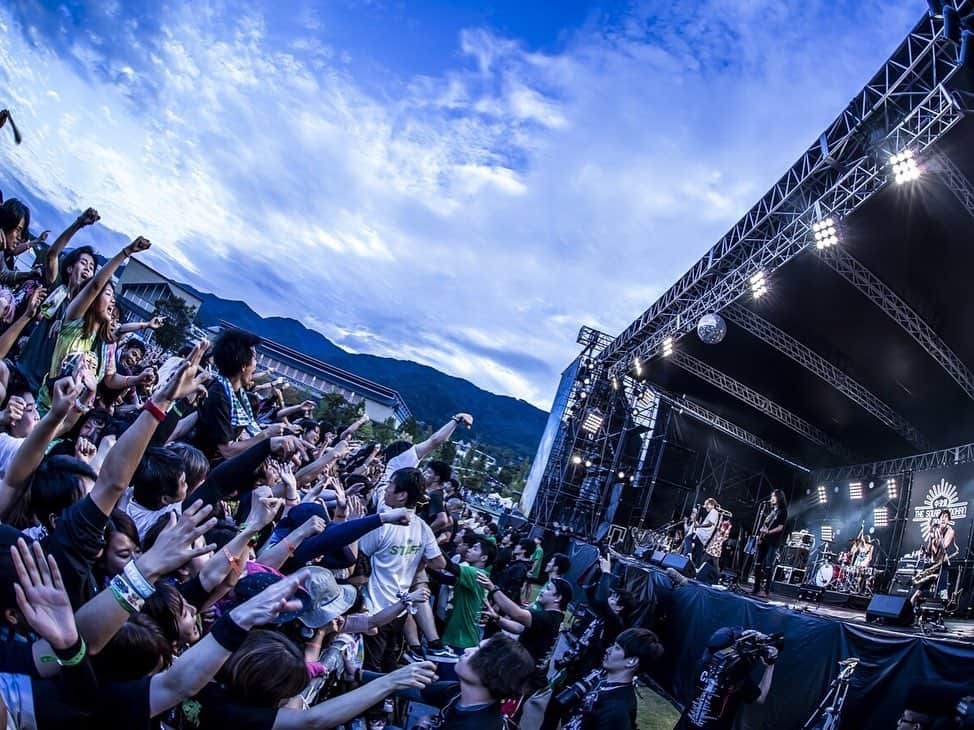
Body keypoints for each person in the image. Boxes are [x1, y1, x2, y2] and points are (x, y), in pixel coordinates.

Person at [358, 467, 448, 671]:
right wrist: (417, 563)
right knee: (387, 666)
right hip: (400, 610)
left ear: (402, 495)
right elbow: (439, 563)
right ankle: (385, 702)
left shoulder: (381, 525)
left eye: (390, 485)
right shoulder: (422, 527)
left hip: (375, 611)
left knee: (368, 671)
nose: (386, 489)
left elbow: (359, 559)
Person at [561, 628, 664, 730]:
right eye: (613, 645)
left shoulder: (616, 711)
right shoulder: (603, 682)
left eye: (617, 648)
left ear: (631, 661)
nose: (608, 650)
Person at [479, 573, 572, 666]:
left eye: (547, 589)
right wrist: (498, 618)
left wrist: (493, 589)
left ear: (558, 598)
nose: (542, 591)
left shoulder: (548, 618)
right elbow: (519, 628)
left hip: (526, 671)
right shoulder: (555, 616)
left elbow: (517, 614)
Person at [751, 490, 787, 597]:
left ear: (779, 498)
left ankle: (766, 591)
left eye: (774, 496)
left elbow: (780, 527)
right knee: (757, 563)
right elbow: (765, 525)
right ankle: (756, 588)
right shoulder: (772, 512)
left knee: (768, 565)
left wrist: (769, 532)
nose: (772, 498)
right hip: (764, 540)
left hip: (773, 541)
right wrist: (761, 534)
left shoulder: (782, 511)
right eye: (771, 496)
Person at [683, 498, 719, 567]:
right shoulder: (713, 512)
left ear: (711, 505)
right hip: (704, 536)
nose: (705, 507)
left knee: (688, 538)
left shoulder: (714, 512)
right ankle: (697, 567)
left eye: (706, 505)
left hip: (702, 534)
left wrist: (699, 526)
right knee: (699, 552)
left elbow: (710, 524)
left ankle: (688, 554)